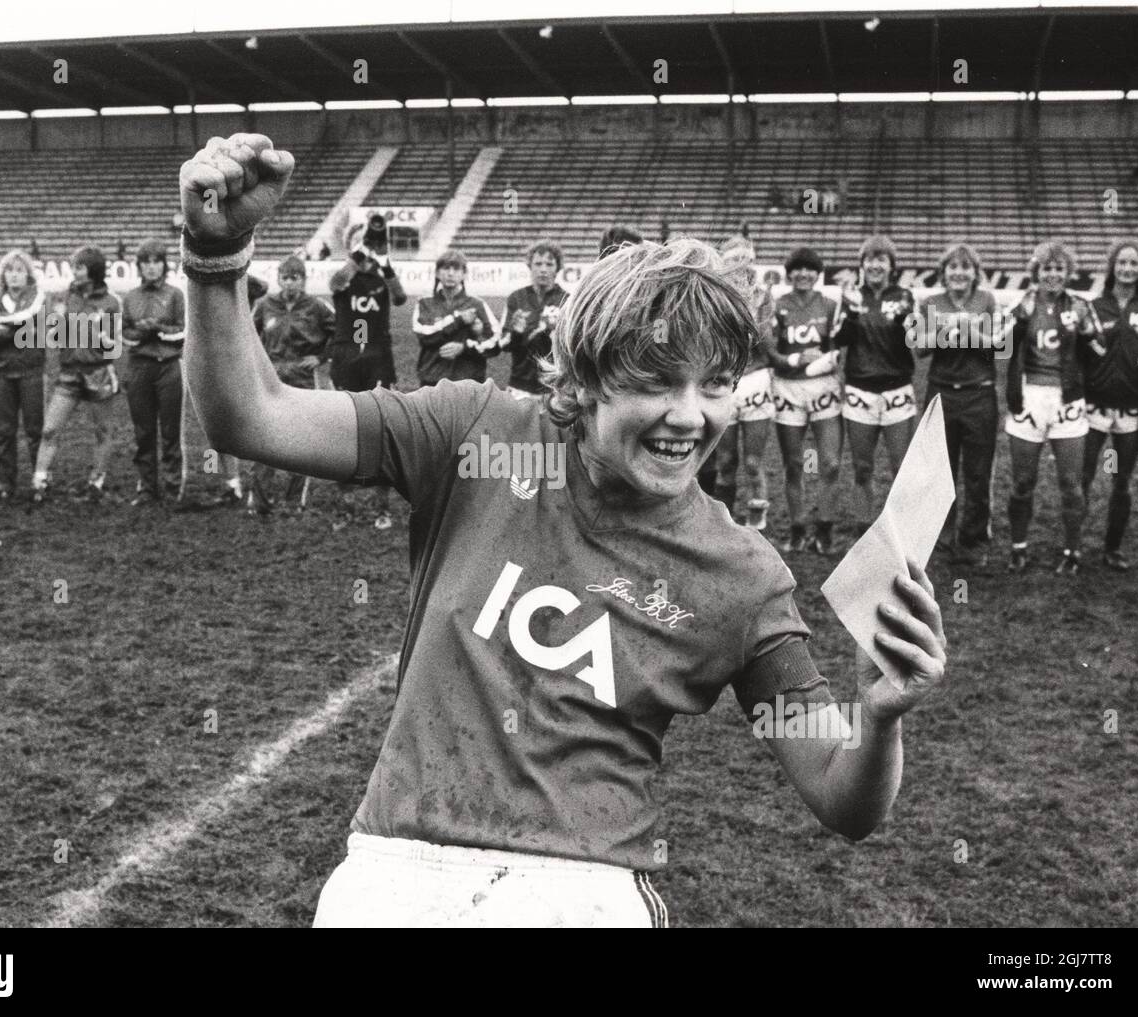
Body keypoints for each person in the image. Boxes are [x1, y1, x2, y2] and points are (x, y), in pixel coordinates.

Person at [179, 133, 947, 929]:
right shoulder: (472, 432)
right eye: (655, 381)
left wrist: (880, 713)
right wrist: (216, 251)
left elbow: (839, 791)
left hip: (586, 894)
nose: (691, 416)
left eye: (717, 383)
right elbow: (250, 416)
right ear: (581, 381)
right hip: (395, 877)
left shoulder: (741, 573)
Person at [1004, 240, 1100, 574]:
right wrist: (1016, 324)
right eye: (1047, 267)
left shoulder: (1081, 305)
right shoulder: (1023, 304)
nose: (1053, 274)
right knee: (1021, 482)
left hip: (1068, 401)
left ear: (1068, 272)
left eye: (1059, 268)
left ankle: (1072, 551)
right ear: (1037, 271)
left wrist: (1088, 333)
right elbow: (1002, 349)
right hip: (1030, 398)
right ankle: (1018, 547)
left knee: (1071, 484)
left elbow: (1099, 351)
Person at [918, 242, 1004, 567]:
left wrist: (968, 331)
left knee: (978, 473)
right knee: (940, 472)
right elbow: (920, 348)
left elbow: (1000, 345)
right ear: (943, 273)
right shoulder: (931, 303)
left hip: (979, 394)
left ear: (975, 273)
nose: (958, 272)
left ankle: (974, 541)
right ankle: (942, 539)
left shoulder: (987, 301)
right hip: (941, 393)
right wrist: (944, 329)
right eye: (952, 267)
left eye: (965, 267)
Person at [1082, 239, 1138, 571]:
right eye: (1122, 262)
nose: (1127, 269)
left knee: (1121, 480)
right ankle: (1074, 548)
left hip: (1132, 411)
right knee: (1082, 478)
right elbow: (1078, 357)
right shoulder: (1093, 306)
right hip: (1092, 408)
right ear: (1112, 265)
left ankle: (1112, 548)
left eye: (1134, 263)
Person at [836, 236, 919, 538]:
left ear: (891, 266)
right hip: (860, 391)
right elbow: (838, 341)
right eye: (869, 259)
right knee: (862, 467)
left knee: (901, 468)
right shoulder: (850, 295)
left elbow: (916, 343)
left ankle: (902, 529)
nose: (874, 264)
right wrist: (851, 316)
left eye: (881, 259)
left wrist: (904, 323)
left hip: (897, 391)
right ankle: (864, 527)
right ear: (861, 265)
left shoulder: (907, 296)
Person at [327, 220, 407, 530]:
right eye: (362, 243)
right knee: (345, 427)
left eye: (371, 242)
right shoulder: (346, 276)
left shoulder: (382, 277)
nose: (369, 248)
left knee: (379, 428)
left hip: (377, 356)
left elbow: (400, 297)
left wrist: (386, 265)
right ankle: (345, 506)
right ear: (353, 247)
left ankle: (380, 506)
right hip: (347, 354)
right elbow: (335, 284)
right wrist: (357, 254)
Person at [767, 246, 844, 554]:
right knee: (794, 464)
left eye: (809, 269)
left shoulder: (829, 304)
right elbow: (771, 353)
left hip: (823, 388)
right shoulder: (778, 305)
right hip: (788, 388)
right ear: (789, 273)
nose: (803, 274)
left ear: (817, 273)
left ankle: (825, 530)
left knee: (831, 463)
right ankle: (798, 528)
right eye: (797, 269)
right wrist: (798, 359)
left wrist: (826, 362)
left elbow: (837, 349)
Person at [31, 246, 123, 502]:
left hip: (99, 373)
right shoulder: (62, 298)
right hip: (69, 373)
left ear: (93, 270)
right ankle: (40, 480)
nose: (74, 272)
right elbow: (51, 336)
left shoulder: (111, 302)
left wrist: (102, 337)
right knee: (50, 429)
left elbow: (115, 346)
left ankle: (97, 481)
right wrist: (57, 327)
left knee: (103, 431)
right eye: (74, 266)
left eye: (79, 267)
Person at [246, 254, 334, 515]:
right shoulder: (264, 305)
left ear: (304, 280)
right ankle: (259, 500)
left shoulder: (316, 306)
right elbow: (249, 336)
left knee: (300, 439)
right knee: (264, 438)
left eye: (295, 278)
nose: (290, 283)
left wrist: (320, 356)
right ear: (279, 279)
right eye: (285, 278)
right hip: (271, 375)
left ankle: (294, 500)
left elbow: (343, 331)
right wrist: (260, 363)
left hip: (302, 376)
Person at [706, 235, 775, 530]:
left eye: (746, 259)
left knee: (753, 463)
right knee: (726, 461)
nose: (740, 265)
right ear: (723, 263)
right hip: (724, 381)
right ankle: (725, 525)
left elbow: (766, 344)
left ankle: (758, 524)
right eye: (734, 259)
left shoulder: (763, 296)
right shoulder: (713, 295)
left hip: (755, 381)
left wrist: (754, 306)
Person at [122, 239, 186, 506]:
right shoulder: (131, 297)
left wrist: (158, 329)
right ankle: (147, 488)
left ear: (164, 265)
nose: (151, 268)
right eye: (145, 262)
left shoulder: (175, 295)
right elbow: (125, 335)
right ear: (139, 266)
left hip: (168, 368)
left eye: (155, 262)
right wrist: (141, 332)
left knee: (171, 431)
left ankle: (173, 489)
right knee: (143, 432)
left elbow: (184, 332)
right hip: (139, 368)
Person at [0, 248, 45, 499]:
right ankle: (5, 482)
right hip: (2, 372)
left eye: (20, 270)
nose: (14, 275)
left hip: (31, 371)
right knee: (4, 430)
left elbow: (30, 318)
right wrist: (11, 331)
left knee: (35, 429)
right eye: (10, 270)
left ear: (28, 274)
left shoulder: (37, 295)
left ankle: (39, 480)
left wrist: (2, 325)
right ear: (3, 274)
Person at [413, 249, 497, 388]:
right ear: (437, 273)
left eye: (456, 269)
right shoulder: (424, 302)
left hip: (468, 383)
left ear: (464, 274)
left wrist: (464, 347)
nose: (450, 273)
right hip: (432, 381)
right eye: (446, 268)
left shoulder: (477, 304)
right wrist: (458, 321)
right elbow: (424, 337)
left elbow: (494, 344)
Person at [498, 240, 567, 400]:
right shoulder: (516, 298)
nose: (543, 269)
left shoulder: (567, 300)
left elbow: (572, 348)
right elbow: (504, 345)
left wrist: (553, 332)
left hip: (555, 387)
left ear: (558, 268)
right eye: (538, 263)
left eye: (549, 264)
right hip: (519, 386)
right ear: (530, 266)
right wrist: (516, 332)